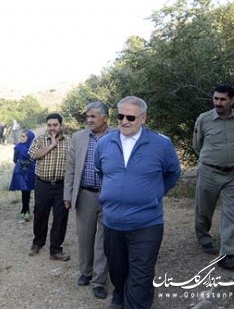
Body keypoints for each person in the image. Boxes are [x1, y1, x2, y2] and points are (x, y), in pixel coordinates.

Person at [94, 96, 181, 309]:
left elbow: (173, 173)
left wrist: (154, 193)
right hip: (112, 221)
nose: (124, 121)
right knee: (118, 269)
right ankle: (119, 295)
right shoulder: (105, 142)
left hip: (146, 224)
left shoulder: (161, 144)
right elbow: (100, 171)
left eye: (130, 117)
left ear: (143, 118)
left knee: (141, 274)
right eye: (120, 116)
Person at [193, 84, 234, 270]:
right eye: (216, 98)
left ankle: (227, 254)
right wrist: (211, 160)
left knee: (231, 213)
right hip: (209, 172)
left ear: (232, 100)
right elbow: (197, 144)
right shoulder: (204, 119)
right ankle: (203, 236)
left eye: (223, 99)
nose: (218, 102)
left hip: (233, 174)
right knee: (204, 210)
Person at [63, 101, 112, 299]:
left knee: (104, 239)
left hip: (110, 196)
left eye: (93, 116)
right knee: (85, 237)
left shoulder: (116, 136)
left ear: (105, 118)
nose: (89, 120)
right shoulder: (78, 137)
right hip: (85, 195)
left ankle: (99, 280)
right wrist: (67, 195)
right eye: (88, 116)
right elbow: (71, 168)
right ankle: (86, 272)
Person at [28, 113, 71, 261]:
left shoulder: (69, 142)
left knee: (61, 217)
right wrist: (52, 145)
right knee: (40, 214)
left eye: (55, 125)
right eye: (49, 125)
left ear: (61, 125)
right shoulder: (39, 140)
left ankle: (56, 250)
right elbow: (34, 155)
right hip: (42, 184)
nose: (52, 128)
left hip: (61, 186)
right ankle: (37, 243)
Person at [9, 129, 36, 223]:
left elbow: (37, 158)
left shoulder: (34, 147)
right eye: (21, 136)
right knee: (24, 189)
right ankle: (25, 209)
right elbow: (14, 159)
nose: (21, 138)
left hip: (31, 170)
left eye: (24, 136)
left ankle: (32, 209)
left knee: (31, 189)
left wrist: (30, 163)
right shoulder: (18, 147)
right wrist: (21, 163)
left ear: (30, 138)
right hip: (21, 170)